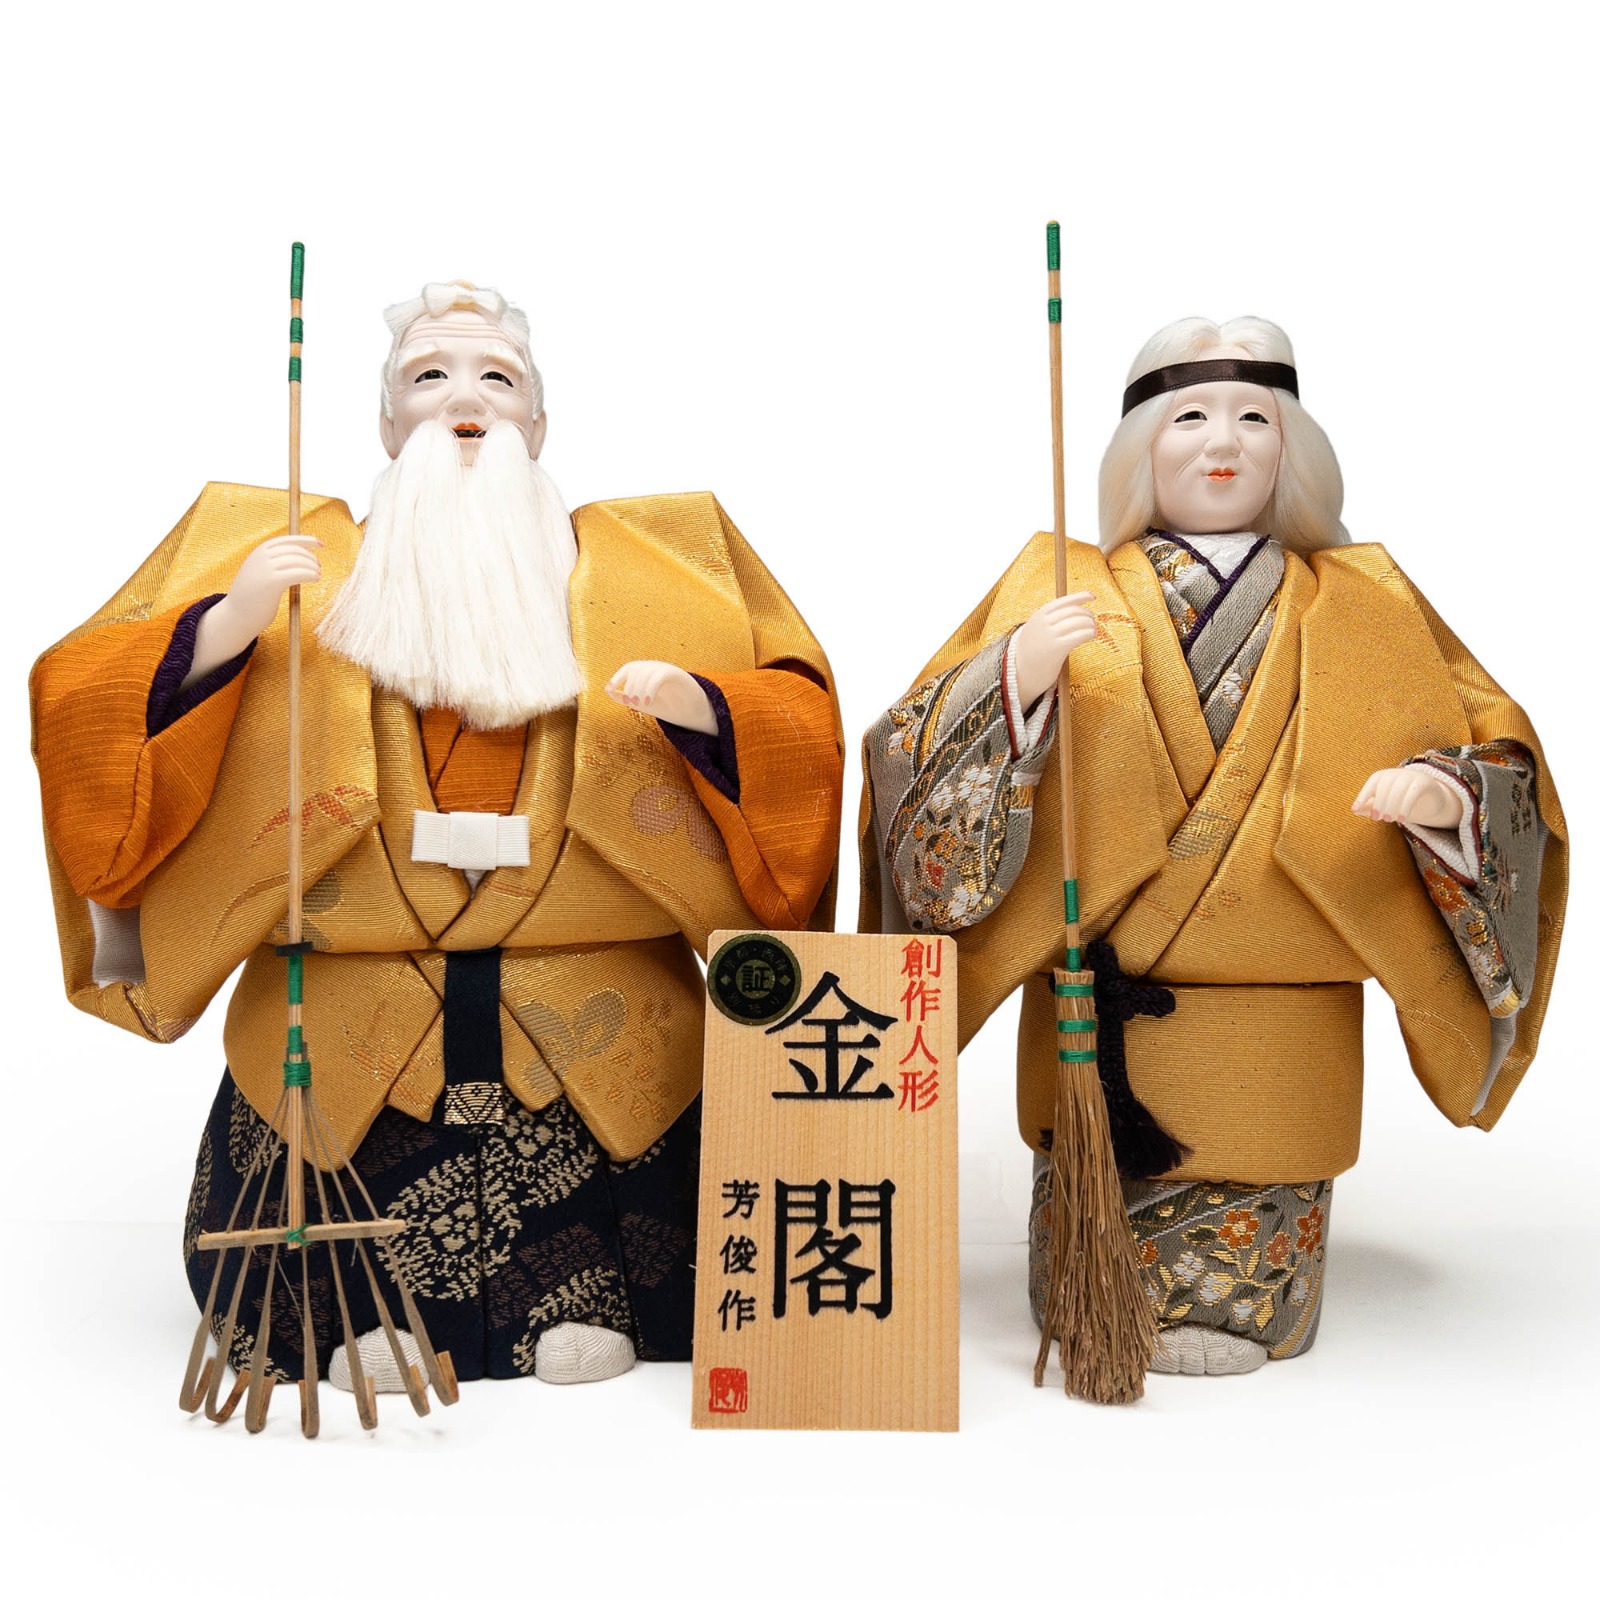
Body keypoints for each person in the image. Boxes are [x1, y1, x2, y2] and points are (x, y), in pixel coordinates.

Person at [32, 279, 843, 1387]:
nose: (467, 403)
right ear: (386, 422)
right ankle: (356, 1324)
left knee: (615, 1171)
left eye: (497, 379)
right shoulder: (285, 564)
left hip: (591, 991)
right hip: (347, 997)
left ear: (539, 422)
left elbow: (797, 714)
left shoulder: (661, 573)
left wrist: (706, 709)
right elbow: (85, 692)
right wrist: (222, 630)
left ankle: (587, 1305)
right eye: (430, 377)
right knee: (331, 1162)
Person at [861, 316, 1566, 1376]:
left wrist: (1445, 798)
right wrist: (1011, 682)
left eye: (1254, 417)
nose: (1222, 440)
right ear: (1139, 446)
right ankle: (1084, 1292)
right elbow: (904, 748)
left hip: (1281, 1007)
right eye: (1189, 415)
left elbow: (1499, 748)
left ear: (1294, 448)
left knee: (1260, 1165)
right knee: (1095, 1186)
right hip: (1096, 991)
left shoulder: (1366, 600)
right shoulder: (1059, 585)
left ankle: (1248, 1309)